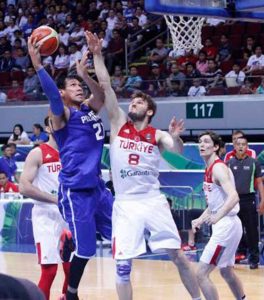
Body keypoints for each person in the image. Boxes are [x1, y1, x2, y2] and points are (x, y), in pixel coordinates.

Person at [87, 32, 201, 300]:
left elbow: (176, 152)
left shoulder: (157, 134)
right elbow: (106, 86)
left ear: (149, 111)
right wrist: (97, 55)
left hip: (152, 200)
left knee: (178, 256)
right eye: (132, 101)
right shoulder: (118, 124)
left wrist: (174, 137)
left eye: (138, 102)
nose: (132, 103)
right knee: (122, 266)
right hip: (125, 203)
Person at [28, 35, 113, 300]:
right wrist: (38, 66)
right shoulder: (62, 115)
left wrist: (84, 74)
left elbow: (103, 93)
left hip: (98, 187)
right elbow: (53, 96)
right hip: (75, 190)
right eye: (72, 85)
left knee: (120, 240)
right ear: (63, 93)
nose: (78, 88)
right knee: (86, 250)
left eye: (79, 85)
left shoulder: (89, 108)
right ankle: (72, 294)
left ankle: (70, 244)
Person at [19, 116, 72, 300]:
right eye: (55, 122)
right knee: (49, 271)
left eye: (63, 122)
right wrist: (55, 199)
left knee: (72, 270)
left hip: (70, 214)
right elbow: (24, 186)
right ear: (47, 128)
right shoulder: (38, 153)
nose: (59, 125)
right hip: (45, 214)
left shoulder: (73, 152)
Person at [192, 131, 246, 300]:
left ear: (215, 147)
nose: (202, 144)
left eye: (206, 142)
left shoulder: (218, 168)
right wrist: (201, 218)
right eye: (200, 141)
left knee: (201, 274)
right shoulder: (209, 168)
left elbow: (234, 196)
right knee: (226, 272)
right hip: (228, 224)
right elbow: (215, 204)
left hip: (226, 226)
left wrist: (218, 217)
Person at [227, 136, 264, 269]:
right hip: (233, 201)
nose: (241, 147)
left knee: (252, 231)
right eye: (238, 144)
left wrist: (263, 200)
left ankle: (254, 260)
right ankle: (231, 258)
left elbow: (259, 182)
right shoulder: (229, 163)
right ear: (234, 147)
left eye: (243, 144)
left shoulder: (254, 162)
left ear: (247, 147)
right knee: (233, 231)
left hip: (249, 200)